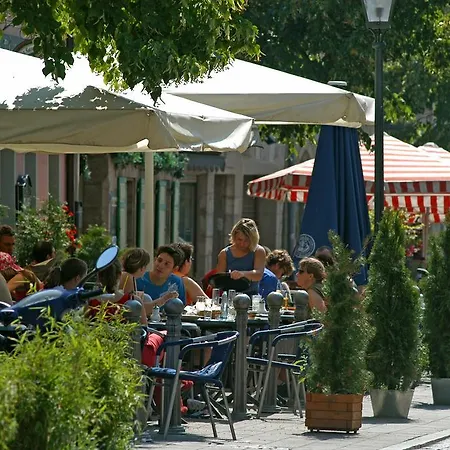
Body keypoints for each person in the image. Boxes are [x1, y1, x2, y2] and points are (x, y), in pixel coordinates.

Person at [216, 218, 265, 296]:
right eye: (239, 239)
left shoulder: (258, 251)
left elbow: (258, 274)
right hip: (230, 297)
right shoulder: (224, 254)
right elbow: (219, 279)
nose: (242, 244)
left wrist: (242, 274)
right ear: (234, 236)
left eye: (246, 240)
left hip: (251, 297)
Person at [136, 245, 186, 314]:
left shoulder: (177, 282)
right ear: (155, 260)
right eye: (159, 260)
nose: (161, 265)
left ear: (174, 269)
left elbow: (181, 308)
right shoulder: (139, 279)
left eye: (166, 264)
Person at [119, 248, 151, 324]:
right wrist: (163, 299)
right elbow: (133, 308)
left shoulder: (124, 275)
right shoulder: (128, 278)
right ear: (142, 268)